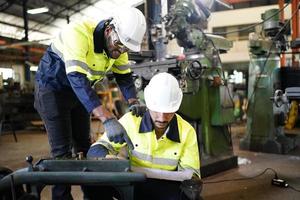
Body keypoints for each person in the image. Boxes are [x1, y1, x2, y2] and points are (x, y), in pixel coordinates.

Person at [33, 7, 146, 200]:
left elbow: (124, 78)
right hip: (52, 91)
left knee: (85, 147)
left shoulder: (120, 45)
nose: (120, 52)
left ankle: (92, 196)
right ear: (110, 30)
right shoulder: (77, 33)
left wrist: (133, 101)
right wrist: (106, 118)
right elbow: (76, 77)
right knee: (62, 155)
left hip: (79, 91)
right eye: (119, 45)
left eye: (125, 49)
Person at [87, 72, 202, 200]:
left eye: (168, 112)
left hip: (166, 187)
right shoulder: (132, 121)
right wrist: (106, 157)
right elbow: (96, 149)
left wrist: (192, 185)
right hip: (134, 183)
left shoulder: (186, 131)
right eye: (156, 111)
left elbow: (191, 174)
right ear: (148, 104)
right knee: (92, 183)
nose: (162, 118)